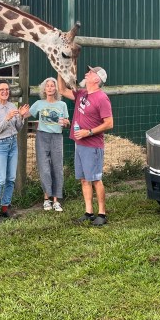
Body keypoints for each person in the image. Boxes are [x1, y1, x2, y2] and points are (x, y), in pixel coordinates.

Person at [58, 65, 114, 226]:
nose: (86, 73)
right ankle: (88, 212)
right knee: (84, 180)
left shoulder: (102, 98)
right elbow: (61, 90)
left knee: (96, 179)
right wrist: (60, 69)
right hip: (79, 144)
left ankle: (102, 214)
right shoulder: (82, 94)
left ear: (97, 79)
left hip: (92, 145)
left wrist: (88, 132)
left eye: (90, 72)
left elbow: (109, 123)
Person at [0, 79, 30, 224]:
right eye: (2, 90)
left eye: (7, 89)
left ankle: (5, 207)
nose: (5, 92)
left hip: (12, 143)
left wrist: (21, 117)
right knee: (0, 179)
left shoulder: (11, 105)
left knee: (11, 178)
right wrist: (7, 118)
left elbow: (17, 128)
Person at [29, 77, 70, 212]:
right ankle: (46, 198)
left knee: (57, 168)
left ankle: (56, 200)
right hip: (42, 137)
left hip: (57, 137)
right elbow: (26, 114)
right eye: (48, 86)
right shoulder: (39, 103)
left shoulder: (61, 105)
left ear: (56, 88)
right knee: (44, 168)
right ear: (44, 89)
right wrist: (20, 114)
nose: (50, 88)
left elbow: (66, 122)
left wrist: (65, 123)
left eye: (53, 86)